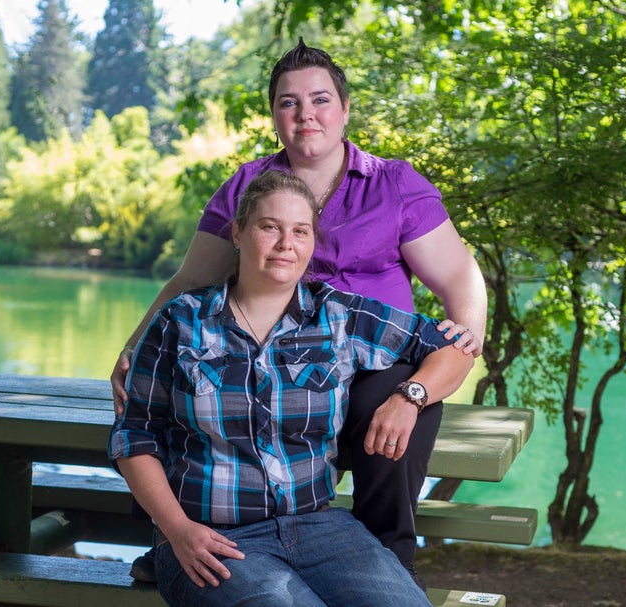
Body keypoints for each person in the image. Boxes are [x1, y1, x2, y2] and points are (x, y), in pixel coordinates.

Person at [111, 38, 487, 587]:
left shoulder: (394, 183)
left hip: (374, 356)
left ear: (345, 110)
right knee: (187, 394)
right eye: (289, 103)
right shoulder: (247, 187)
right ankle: (177, 540)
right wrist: (135, 348)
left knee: (399, 405)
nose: (306, 114)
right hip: (268, 346)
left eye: (320, 100)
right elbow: (192, 279)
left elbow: (459, 275)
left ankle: (385, 557)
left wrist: (464, 339)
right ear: (274, 117)